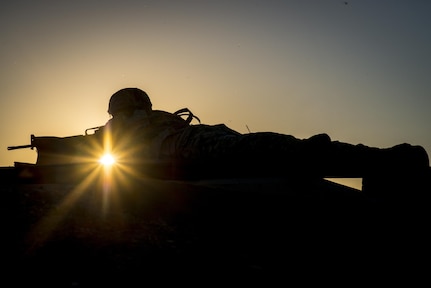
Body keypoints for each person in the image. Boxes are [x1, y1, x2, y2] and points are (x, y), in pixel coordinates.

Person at [102, 87, 430, 198]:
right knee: (276, 149)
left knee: (277, 148)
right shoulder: (113, 130)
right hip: (192, 148)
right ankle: (383, 159)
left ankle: (384, 160)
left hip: (197, 143)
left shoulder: (131, 123)